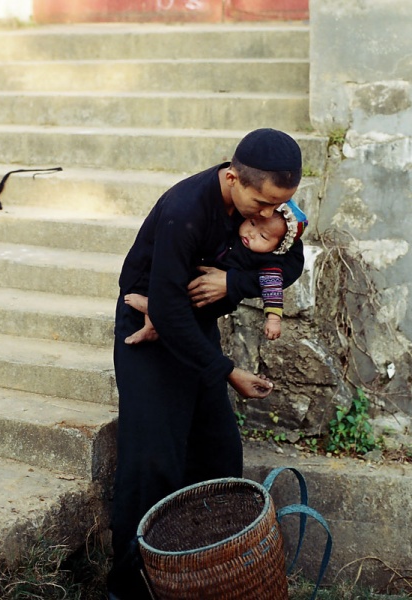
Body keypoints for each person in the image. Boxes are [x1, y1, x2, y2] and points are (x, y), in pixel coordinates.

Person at [108, 128, 305, 600]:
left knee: (218, 455)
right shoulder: (185, 210)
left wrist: (233, 284)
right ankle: (128, 587)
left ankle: (200, 576)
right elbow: (167, 310)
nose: (269, 216)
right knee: (152, 462)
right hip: (150, 328)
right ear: (233, 177)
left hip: (192, 325)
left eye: (279, 205)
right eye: (262, 204)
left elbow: (290, 260)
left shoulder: (272, 203)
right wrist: (228, 372)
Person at [123, 198, 308, 344]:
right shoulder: (235, 231)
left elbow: (273, 290)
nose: (251, 233)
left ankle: (156, 309)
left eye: (263, 236)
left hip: (215, 299)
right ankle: (151, 325)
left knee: (193, 306)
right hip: (200, 274)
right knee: (169, 275)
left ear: (277, 247)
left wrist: (273, 320)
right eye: (252, 223)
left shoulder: (269, 263)